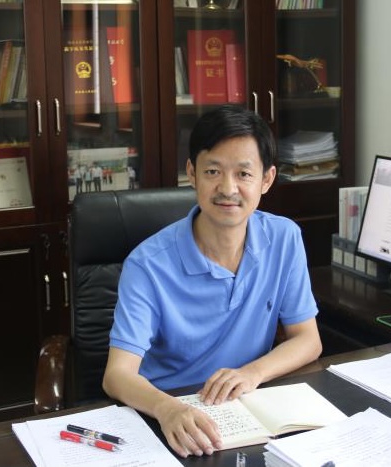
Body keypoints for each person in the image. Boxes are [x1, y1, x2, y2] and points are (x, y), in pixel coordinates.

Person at [102, 105, 322, 458]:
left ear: (266, 180)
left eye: (244, 174)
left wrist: (252, 373)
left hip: (245, 409)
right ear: (192, 173)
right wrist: (168, 409)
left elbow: (308, 339)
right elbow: (117, 375)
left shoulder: (284, 238)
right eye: (213, 171)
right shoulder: (147, 264)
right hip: (169, 415)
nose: (228, 188)